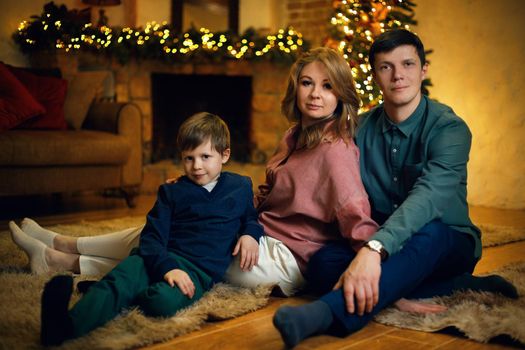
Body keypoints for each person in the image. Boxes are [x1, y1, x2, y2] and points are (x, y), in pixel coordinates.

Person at [10, 47, 379, 298]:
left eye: (328, 86)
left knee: (183, 239)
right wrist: (201, 188)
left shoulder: (336, 152)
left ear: (342, 94)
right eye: (307, 82)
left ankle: (63, 256)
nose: (316, 94)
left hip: (284, 258)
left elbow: (355, 213)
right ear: (295, 88)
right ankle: (60, 247)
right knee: (177, 221)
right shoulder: (295, 135)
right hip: (261, 234)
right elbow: (266, 195)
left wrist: (376, 264)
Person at [271, 29, 518, 348]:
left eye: (408, 64)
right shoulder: (358, 128)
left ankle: (319, 316)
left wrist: (373, 251)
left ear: (423, 70)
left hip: (446, 242)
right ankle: (451, 286)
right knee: (321, 262)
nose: (398, 75)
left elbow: (427, 198)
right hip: (382, 236)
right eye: (386, 66)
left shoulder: (450, 129)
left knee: (431, 232)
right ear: (374, 75)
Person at [37, 112, 264, 346]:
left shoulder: (240, 186)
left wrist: (250, 235)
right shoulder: (171, 192)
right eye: (189, 158)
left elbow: (251, 218)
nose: (196, 166)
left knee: (160, 304)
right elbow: (152, 237)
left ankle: (119, 295)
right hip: (158, 258)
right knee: (121, 280)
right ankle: (64, 325)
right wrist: (167, 267)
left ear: (224, 154)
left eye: (205, 156)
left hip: (198, 273)